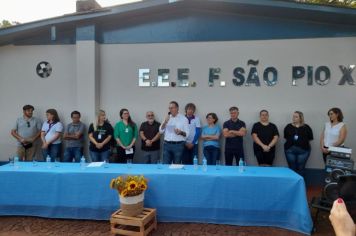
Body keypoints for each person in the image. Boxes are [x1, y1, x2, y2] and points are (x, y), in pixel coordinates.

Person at [284, 111, 313, 177]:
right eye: (293, 116)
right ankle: (292, 184)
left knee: (301, 168)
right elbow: (286, 137)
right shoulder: (288, 126)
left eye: (296, 117)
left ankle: (300, 185)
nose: (294, 118)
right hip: (290, 150)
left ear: (300, 118)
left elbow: (310, 138)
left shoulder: (306, 127)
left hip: (303, 150)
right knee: (292, 167)